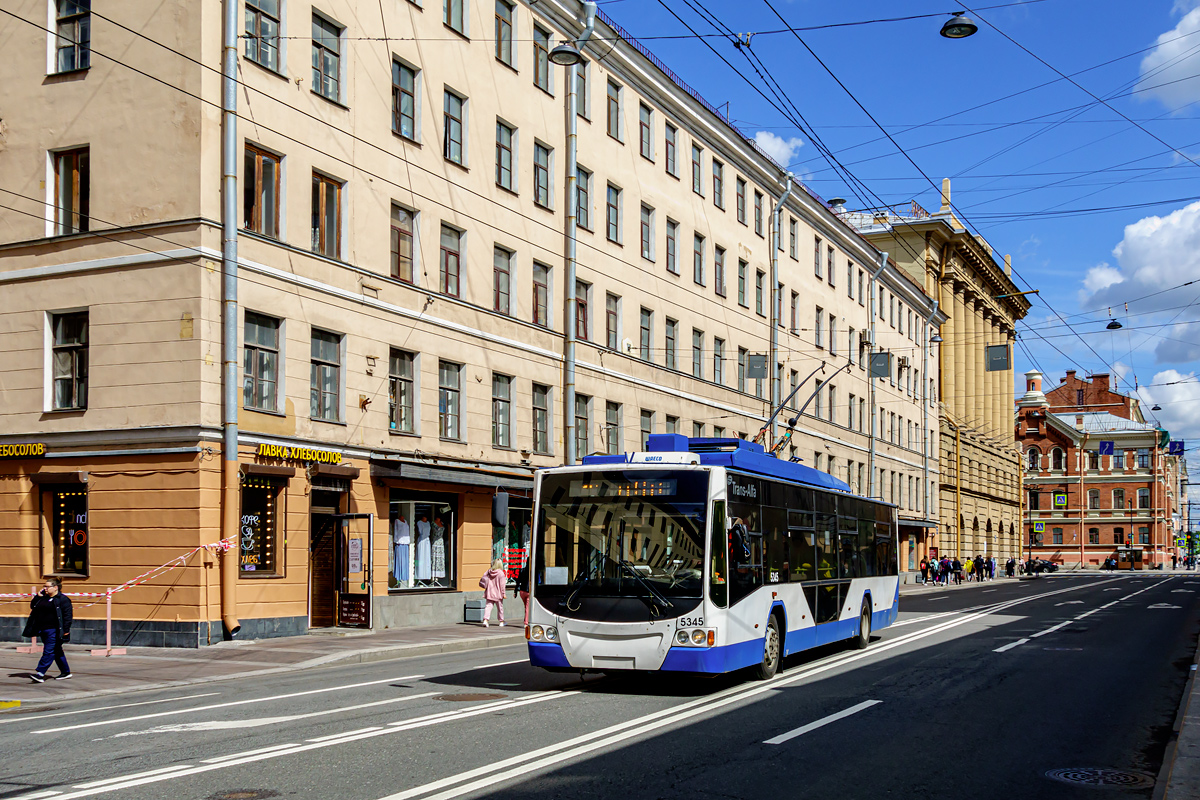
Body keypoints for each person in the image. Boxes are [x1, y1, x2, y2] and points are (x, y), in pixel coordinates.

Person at [24, 578, 73, 683]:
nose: (45, 588)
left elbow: (67, 616)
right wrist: (38, 596)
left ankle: (40, 673)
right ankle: (66, 672)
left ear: (55, 587)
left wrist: (66, 629)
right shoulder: (43, 598)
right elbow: (33, 606)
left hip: (54, 630)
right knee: (56, 651)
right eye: (44, 586)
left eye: (47, 586)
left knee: (49, 651)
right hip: (43, 629)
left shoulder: (63, 599)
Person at [479, 558, 507, 627]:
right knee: (500, 608)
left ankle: (485, 620)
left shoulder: (489, 571)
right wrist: (504, 594)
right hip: (498, 593)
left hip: (489, 592)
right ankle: (501, 621)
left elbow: (483, 577)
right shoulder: (501, 573)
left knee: (488, 607)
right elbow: (502, 585)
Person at [515, 560, 530, 626]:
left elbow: (518, 582)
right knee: (527, 607)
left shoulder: (522, 570)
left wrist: (515, 591)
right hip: (529, 592)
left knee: (526, 607)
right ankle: (526, 622)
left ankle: (527, 620)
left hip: (522, 591)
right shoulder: (532, 571)